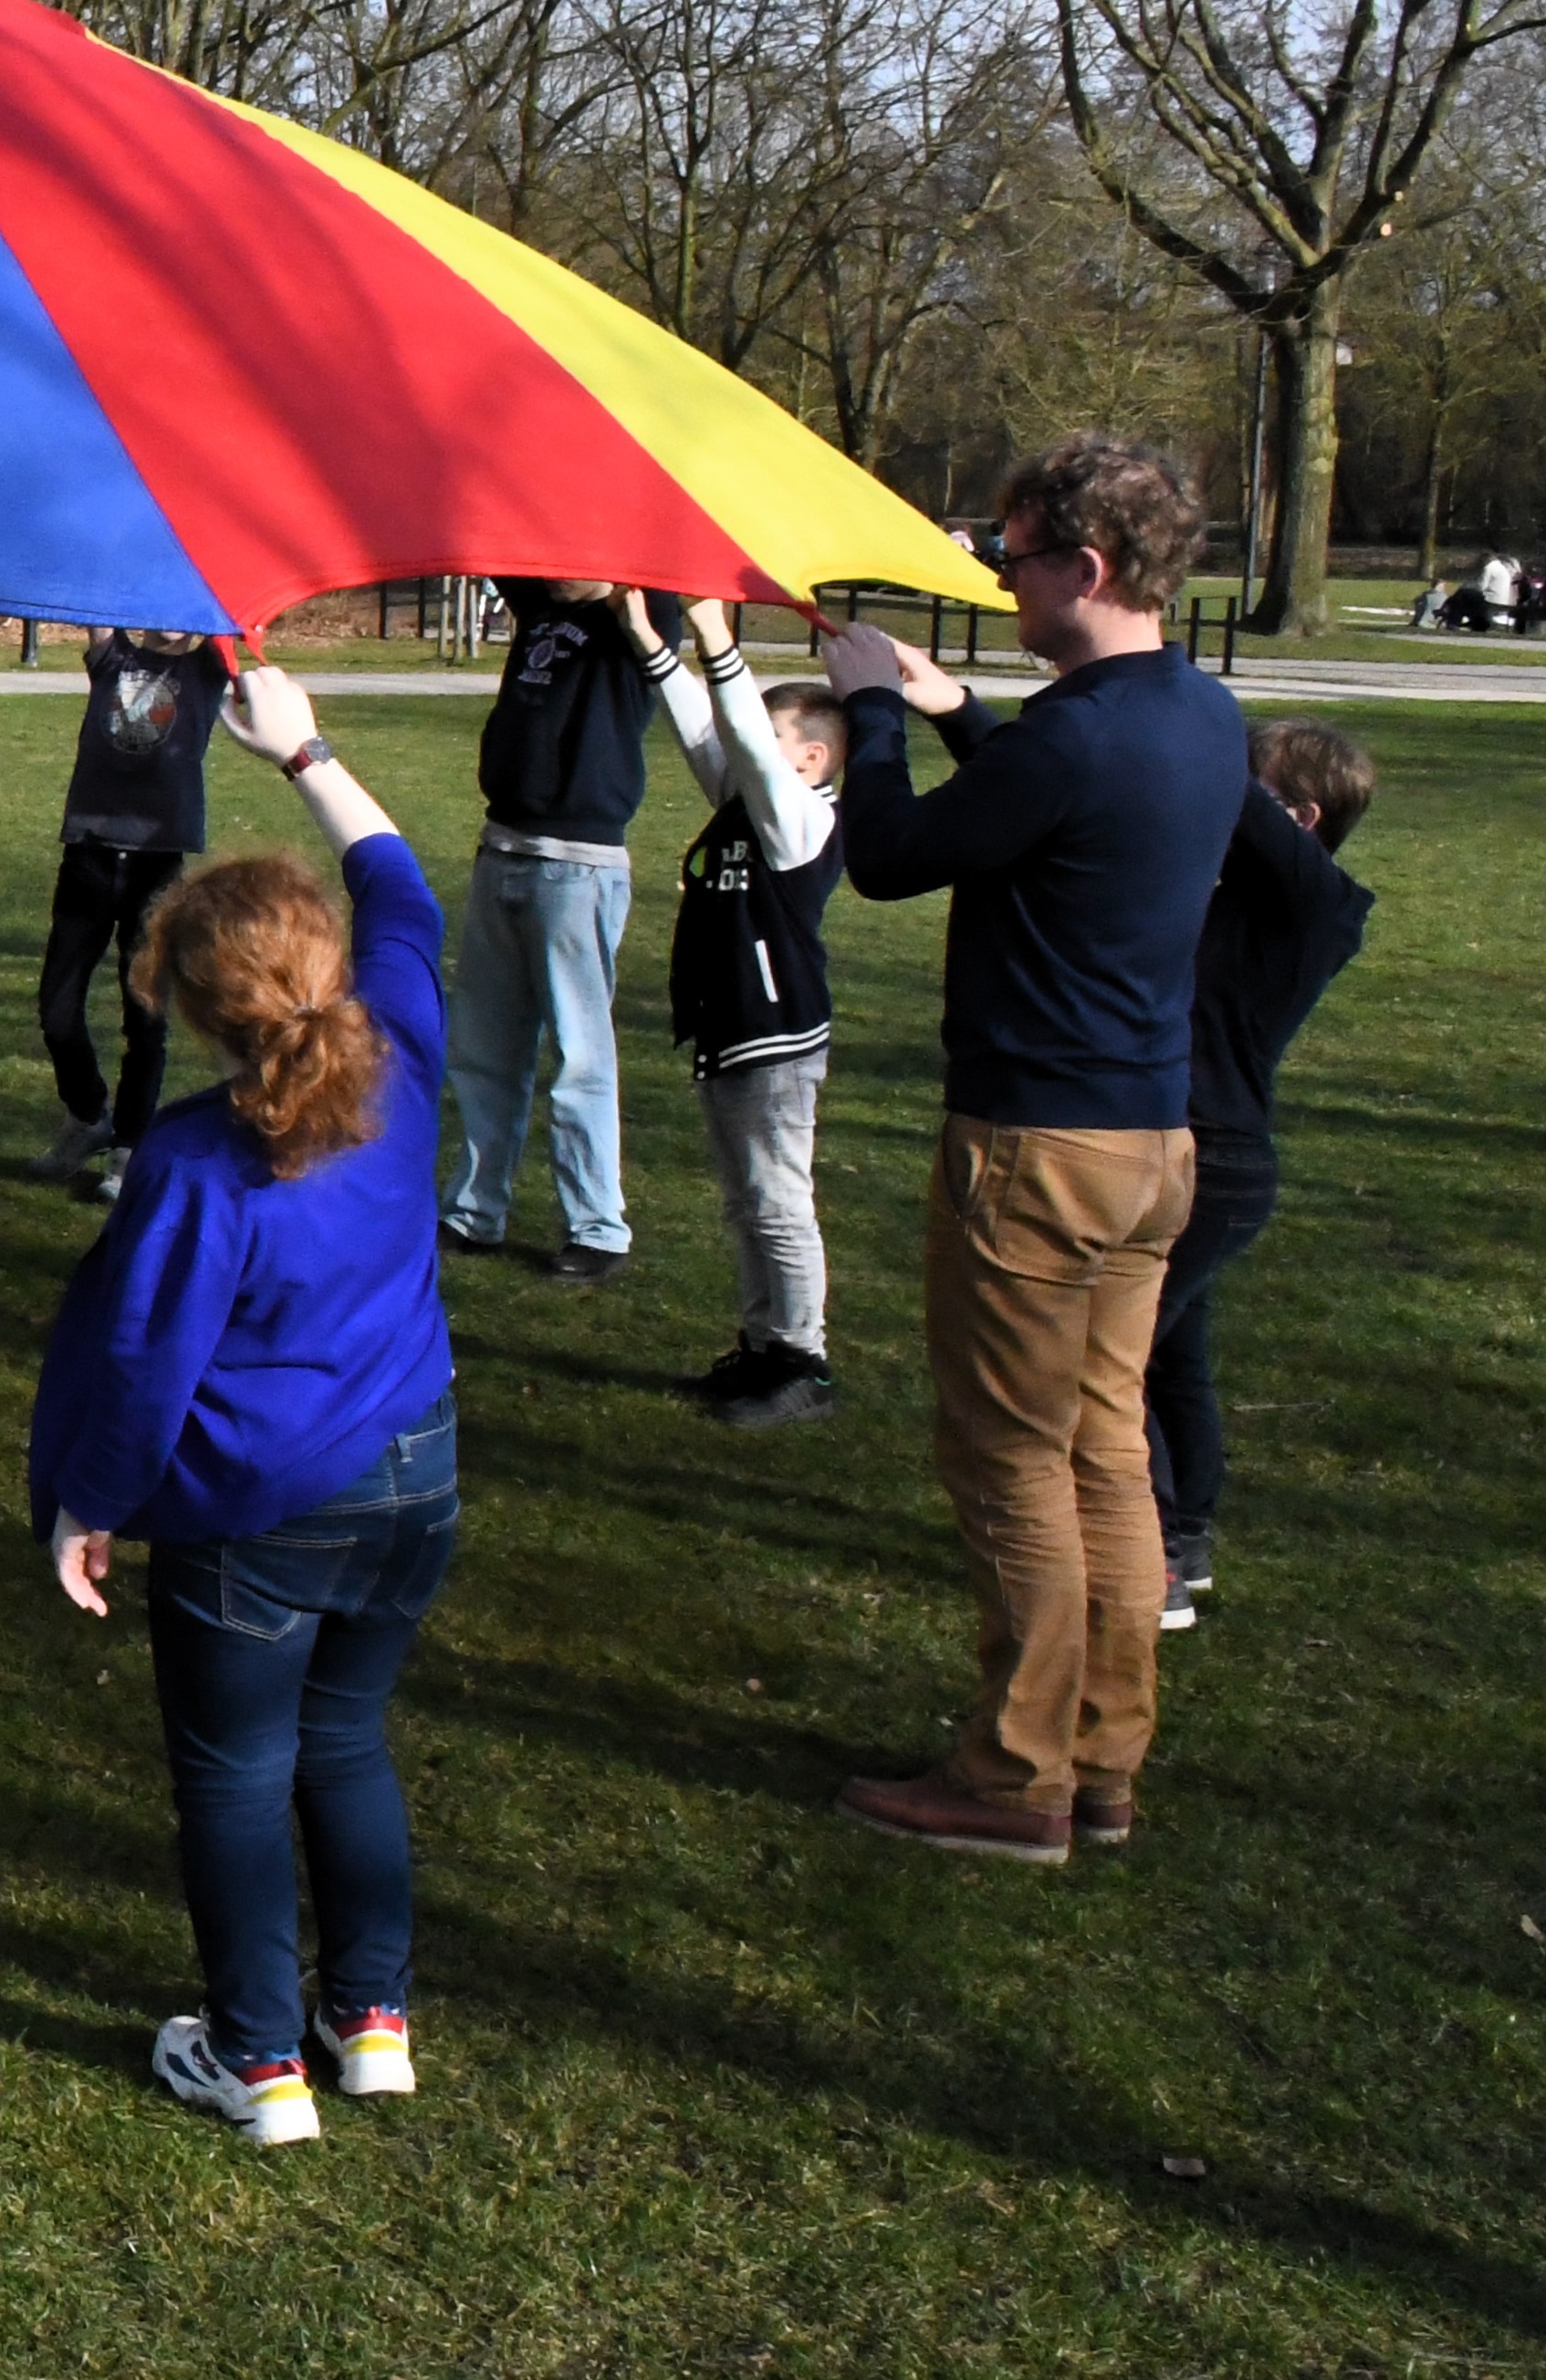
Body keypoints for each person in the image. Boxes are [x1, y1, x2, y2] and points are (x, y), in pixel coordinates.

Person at [35, 663, 455, 2151]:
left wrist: (87, 1505)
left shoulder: (194, 1163)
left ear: (202, 1016)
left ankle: (259, 2054)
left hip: (259, 1518)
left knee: (234, 1772)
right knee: (344, 1740)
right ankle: (371, 2018)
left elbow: (145, 1363)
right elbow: (401, 885)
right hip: (414, 1478)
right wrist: (304, 750)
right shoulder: (400, 1052)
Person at [816, 435, 1248, 1863]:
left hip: (1036, 1150)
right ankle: (1102, 1756)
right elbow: (1052, 799)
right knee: (1104, 1449)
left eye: (1014, 558)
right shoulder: (1195, 712)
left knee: (1009, 1458)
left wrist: (870, 711)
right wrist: (956, 710)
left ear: (1088, 566)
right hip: (1148, 1143)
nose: (1001, 580)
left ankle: (1012, 1775)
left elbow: (890, 857)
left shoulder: (1073, 736)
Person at [1146, 719, 1377, 1630]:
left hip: (1217, 1163)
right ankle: (1187, 1532)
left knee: (1110, 1357)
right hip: (1189, 1149)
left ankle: (1153, 1556)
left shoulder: (1319, 906)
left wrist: (1184, 718)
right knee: (1171, 1356)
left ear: (1302, 817)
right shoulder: (1229, 894)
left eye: (1246, 786)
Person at [643, 593, 851, 1427]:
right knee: (745, 1204)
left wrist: (716, 638)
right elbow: (705, 731)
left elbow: (744, 748)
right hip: (728, 1030)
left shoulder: (802, 820)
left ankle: (805, 1361)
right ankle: (765, 1346)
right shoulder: (746, 802)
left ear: (811, 759)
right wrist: (648, 640)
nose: (746, 747)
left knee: (777, 1202)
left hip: (775, 1036)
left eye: (767, 738)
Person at [437, 578, 667, 1280]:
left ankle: (597, 1228)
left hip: (576, 865)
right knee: (483, 1052)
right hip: (501, 847)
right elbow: (492, 538)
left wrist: (627, 591)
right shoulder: (540, 606)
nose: (553, 566)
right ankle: (473, 1213)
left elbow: (649, 574)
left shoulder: (635, 616)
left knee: (579, 1056)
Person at [32, 627, 222, 1200]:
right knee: (56, 1009)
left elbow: (229, 609)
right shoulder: (114, 659)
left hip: (156, 863)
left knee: (145, 1018)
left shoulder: (203, 671)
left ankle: (129, 1149)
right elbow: (98, 593)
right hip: (89, 853)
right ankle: (88, 1115)